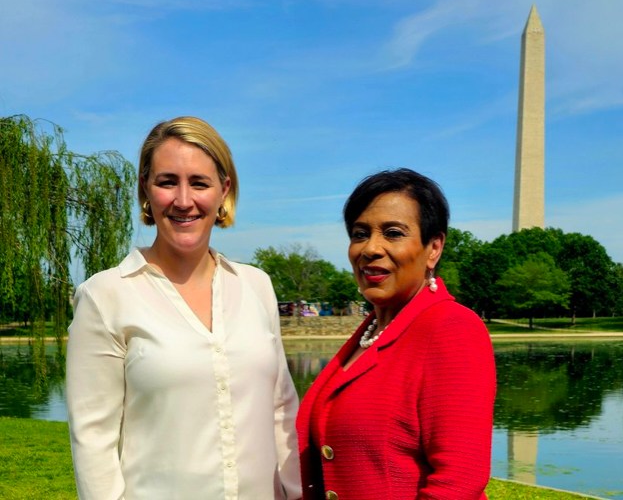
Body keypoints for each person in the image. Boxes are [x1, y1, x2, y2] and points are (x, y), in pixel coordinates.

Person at [66, 116, 301, 500]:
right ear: (145, 188)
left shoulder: (256, 285)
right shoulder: (105, 295)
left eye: (199, 183)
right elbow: (93, 440)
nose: (183, 200)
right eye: (167, 181)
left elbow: (281, 409)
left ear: (224, 190)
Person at [297, 168, 496, 500]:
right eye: (360, 234)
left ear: (433, 248)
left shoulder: (452, 329)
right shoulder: (372, 332)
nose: (371, 248)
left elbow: (458, 482)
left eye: (392, 233)